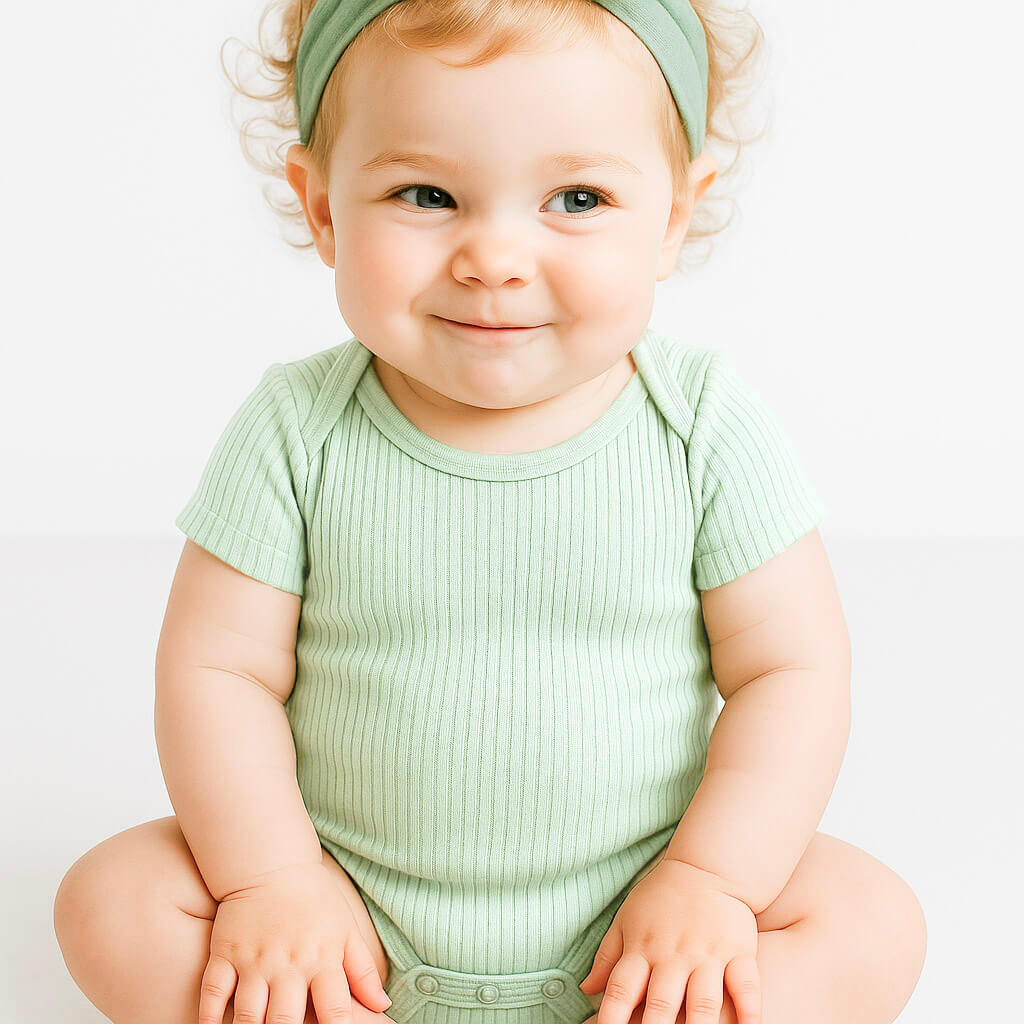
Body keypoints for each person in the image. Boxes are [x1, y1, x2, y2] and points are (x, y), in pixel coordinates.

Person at [53, 3, 927, 1024]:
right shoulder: (296, 428)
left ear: (675, 219)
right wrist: (271, 879)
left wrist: (711, 882)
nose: (495, 256)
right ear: (322, 205)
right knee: (111, 900)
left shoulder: (701, 425)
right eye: (426, 193)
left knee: (870, 917)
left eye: (578, 197)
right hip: (344, 932)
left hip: (639, 934)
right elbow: (218, 671)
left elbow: (790, 670)